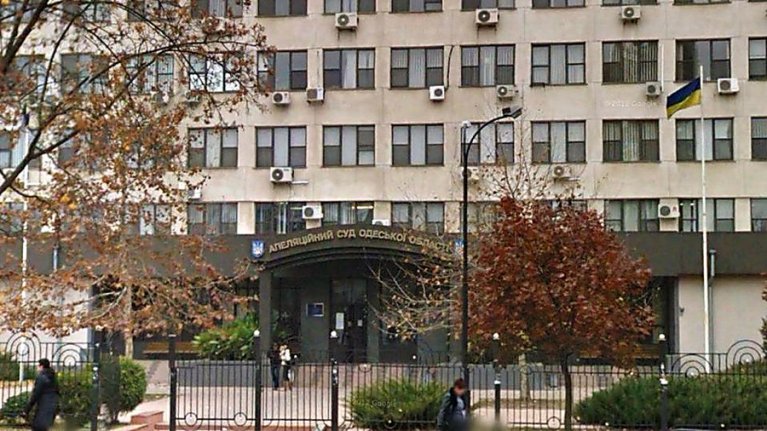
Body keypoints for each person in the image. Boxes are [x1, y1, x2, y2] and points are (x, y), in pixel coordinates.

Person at [24, 359, 60, 431]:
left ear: (41, 366)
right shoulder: (53, 376)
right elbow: (57, 390)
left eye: (38, 366)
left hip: (43, 405)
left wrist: (27, 409)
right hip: (52, 405)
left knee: (38, 427)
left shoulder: (41, 377)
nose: (37, 368)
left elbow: (36, 394)